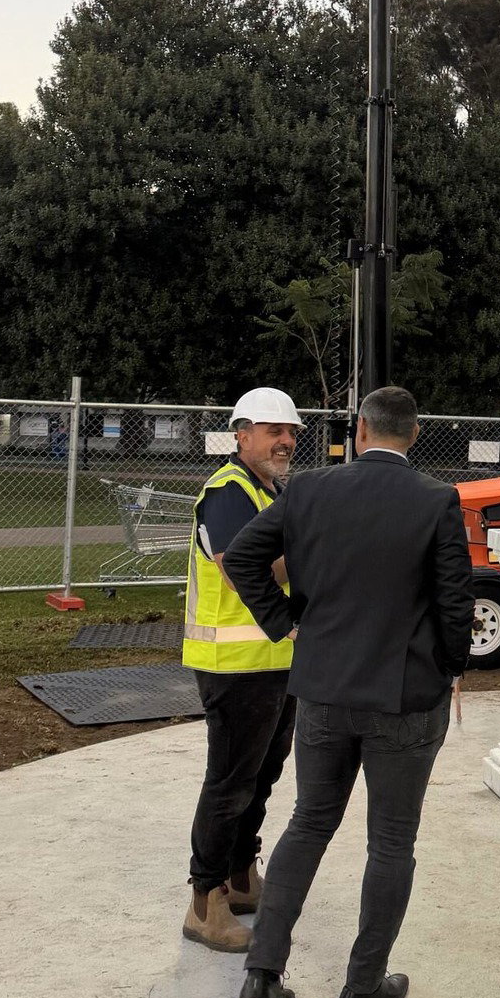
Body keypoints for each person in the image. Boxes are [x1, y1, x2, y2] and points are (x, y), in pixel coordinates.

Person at [222, 386, 474, 998]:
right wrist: (451, 666)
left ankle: (262, 972)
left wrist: (285, 623)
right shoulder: (435, 499)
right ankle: (361, 987)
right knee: (391, 840)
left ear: (360, 429)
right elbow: (454, 601)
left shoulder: (307, 491)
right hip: (404, 698)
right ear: (412, 435)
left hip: (324, 690)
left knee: (309, 821)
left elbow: (245, 558)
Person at [179, 388, 302, 952]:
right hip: (234, 666)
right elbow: (240, 570)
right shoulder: (228, 493)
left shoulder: (268, 491)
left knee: (262, 776)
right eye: (273, 430)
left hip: (274, 661)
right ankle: (206, 904)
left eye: (291, 432)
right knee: (229, 784)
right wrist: (314, 553)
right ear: (241, 435)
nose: (285, 441)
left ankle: (241, 876)